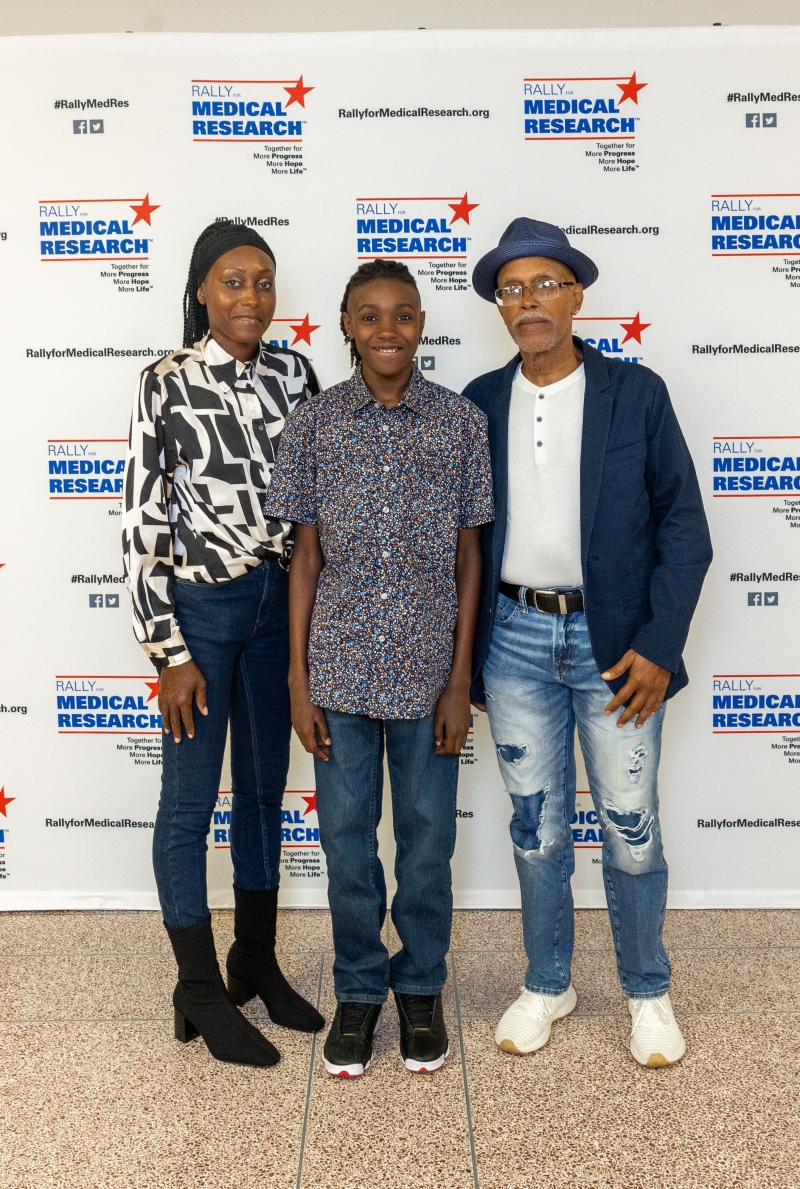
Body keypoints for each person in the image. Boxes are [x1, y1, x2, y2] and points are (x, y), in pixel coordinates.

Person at [463, 218, 712, 1068]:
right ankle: (548, 983)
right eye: (512, 289)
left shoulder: (636, 393)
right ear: (500, 306)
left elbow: (684, 526)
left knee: (631, 828)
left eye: (545, 284)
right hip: (513, 642)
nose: (528, 301)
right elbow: (462, 542)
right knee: (536, 830)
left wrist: (661, 645)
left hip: (619, 648)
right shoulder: (480, 402)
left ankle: (647, 991)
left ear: (576, 295)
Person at [264, 260, 494, 1077]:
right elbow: (305, 559)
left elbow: (470, 560)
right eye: (369, 315)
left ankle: (421, 986)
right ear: (347, 327)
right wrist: (299, 681)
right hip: (339, 674)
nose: (387, 329)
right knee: (347, 845)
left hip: (431, 677)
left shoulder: (461, 423)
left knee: (427, 845)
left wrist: (461, 682)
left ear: (422, 323)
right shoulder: (316, 423)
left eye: (402, 314)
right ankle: (360, 990)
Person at [122, 220, 324, 1068]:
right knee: (189, 801)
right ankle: (199, 988)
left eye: (264, 282)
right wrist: (168, 652)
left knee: (264, 790)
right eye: (234, 281)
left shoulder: (296, 374)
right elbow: (142, 521)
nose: (251, 297)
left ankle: (254, 958)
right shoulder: (165, 381)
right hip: (202, 615)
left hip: (279, 607)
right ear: (202, 290)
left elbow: (316, 506)